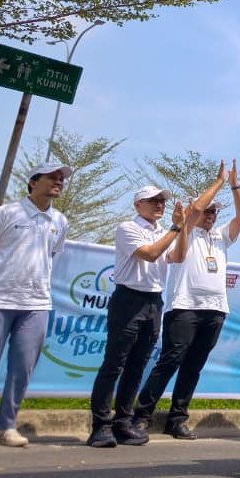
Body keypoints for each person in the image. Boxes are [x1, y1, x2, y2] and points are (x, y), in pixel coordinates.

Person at [131, 160, 240, 439]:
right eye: (207, 210)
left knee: (193, 366)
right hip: (184, 307)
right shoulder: (185, 231)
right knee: (170, 361)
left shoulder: (220, 236)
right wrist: (218, 183)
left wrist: (235, 187)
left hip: (215, 309)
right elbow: (194, 211)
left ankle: (177, 419)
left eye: (214, 212)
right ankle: (141, 415)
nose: (210, 215)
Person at [87, 186, 190, 448]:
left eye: (162, 200)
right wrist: (175, 229)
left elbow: (178, 256)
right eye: (152, 200)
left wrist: (184, 227)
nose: (159, 204)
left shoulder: (163, 232)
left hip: (154, 301)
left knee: (137, 366)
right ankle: (100, 425)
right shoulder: (127, 228)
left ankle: (123, 422)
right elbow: (150, 253)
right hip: (128, 300)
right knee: (114, 364)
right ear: (137, 205)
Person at [0, 162, 72, 447]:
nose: (58, 182)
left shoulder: (59, 221)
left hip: (36, 304)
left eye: (61, 179)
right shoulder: (5, 213)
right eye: (52, 177)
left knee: (22, 369)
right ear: (33, 183)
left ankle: (5, 427)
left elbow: (52, 256)